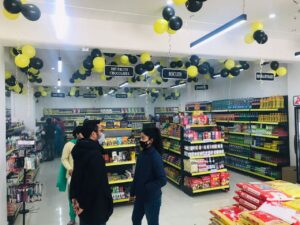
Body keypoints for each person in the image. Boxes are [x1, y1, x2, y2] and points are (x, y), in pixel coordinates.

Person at [70, 120, 113, 225]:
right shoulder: (94, 155)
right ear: (93, 134)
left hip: (82, 202)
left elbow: (76, 176)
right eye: (99, 130)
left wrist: (75, 198)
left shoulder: (81, 149)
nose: (101, 132)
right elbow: (94, 183)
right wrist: (83, 205)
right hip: (94, 205)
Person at [130, 127, 167, 225]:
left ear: (151, 140)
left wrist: (146, 187)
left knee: (152, 222)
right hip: (140, 196)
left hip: (152, 198)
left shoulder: (155, 157)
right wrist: (132, 192)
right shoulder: (142, 154)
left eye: (143, 138)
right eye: (140, 138)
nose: (140, 140)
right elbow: (137, 175)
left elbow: (162, 180)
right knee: (135, 219)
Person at [61, 126, 84, 225]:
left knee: (84, 198)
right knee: (72, 198)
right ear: (77, 134)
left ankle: (84, 218)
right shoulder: (69, 145)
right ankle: (72, 218)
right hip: (72, 177)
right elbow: (64, 158)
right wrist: (69, 168)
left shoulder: (86, 144)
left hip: (84, 176)